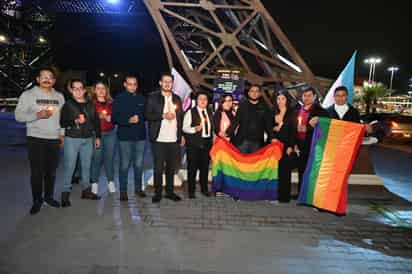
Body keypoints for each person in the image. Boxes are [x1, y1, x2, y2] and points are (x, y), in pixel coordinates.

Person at [15, 67, 65, 215]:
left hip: (53, 139)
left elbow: (62, 118)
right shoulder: (28, 95)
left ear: (54, 80)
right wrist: (37, 114)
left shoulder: (59, 96)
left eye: (50, 76)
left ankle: (49, 197)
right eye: (43, 76)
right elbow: (18, 116)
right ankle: (37, 200)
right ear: (37, 79)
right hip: (35, 138)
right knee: (37, 172)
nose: (47, 79)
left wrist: (61, 135)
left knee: (51, 172)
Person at [60, 79, 101, 207]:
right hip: (72, 139)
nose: (78, 90)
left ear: (84, 90)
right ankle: (65, 194)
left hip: (88, 139)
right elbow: (62, 123)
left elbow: (96, 122)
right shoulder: (68, 105)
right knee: (70, 167)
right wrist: (75, 121)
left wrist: (98, 137)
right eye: (75, 88)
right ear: (71, 90)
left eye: (80, 88)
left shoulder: (90, 104)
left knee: (86, 166)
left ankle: (86, 191)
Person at [145, 72, 184, 203]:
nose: (168, 84)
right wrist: (162, 115)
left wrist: (181, 135)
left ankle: (170, 192)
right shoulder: (152, 97)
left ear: (173, 84)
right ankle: (157, 193)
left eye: (170, 82)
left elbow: (181, 118)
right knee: (158, 168)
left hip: (173, 140)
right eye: (165, 81)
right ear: (160, 83)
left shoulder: (177, 98)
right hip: (159, 139)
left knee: (171, 168)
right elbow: (148, 115)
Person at [112, 76, 147, 201]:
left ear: (137, 85)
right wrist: (127, 120)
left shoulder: (142, 98)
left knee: (138, 165)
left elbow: (146, 116)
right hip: (125, 138)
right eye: (130, 84)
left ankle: (138, 189)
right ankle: (123, 191)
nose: (132, 86)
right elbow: (114, 118)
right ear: (125, 84)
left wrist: (141, 118)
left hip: (140, 137)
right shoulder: (119, 99)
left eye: (134, 84)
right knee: (124, 165)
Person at [295, 87, 329, 198]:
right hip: (299, 144)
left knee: (312, 171)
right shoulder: (297, 110)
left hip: (313, 145)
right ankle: (301, 194)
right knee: (302, 170)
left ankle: (311, 195)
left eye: (309, 95)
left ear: (314, 97)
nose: (306, 98)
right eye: (305, 95)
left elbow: (326, 125)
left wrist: (309, 127)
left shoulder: (320, 112)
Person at [183, 92, 213, 199]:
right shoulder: (190, 112)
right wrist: (194, 129)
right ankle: (191, 191)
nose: (203, 101)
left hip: (206, 144)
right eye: (201, 99)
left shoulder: (209, 112)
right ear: (197, 100)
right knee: (192, 168)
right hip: (194, 144)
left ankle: (204, 189)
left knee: (204, 168)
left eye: (205, 99)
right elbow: (184, 127)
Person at [228, 85, 275, 153]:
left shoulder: (265, 108)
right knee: (241, 162)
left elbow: (268, 125)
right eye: (252, 91)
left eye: (256, 91)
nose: (254, 93)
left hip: (257, 143)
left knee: (255, 163)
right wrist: (228, 134)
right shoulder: (242, 106)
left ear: (259, 94)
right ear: (248, 93)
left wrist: (272, 138)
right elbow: (236, 121)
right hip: (242, 141)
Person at [90, 82, 116, 195]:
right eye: (98, 88)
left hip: (110, 133)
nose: (101, 91)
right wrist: (96, 118)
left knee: (109, 159)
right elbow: (87, 120)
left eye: (103, 88)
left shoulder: (111, 104)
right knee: (97, 158)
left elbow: (115, 118)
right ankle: (94, 183)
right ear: (94, 90)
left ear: (106, 91)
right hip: (96, 134)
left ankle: (111, 182)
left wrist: (110, 118)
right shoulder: (90, 104)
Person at [272, 90, 296, 203]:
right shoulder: (272, 112)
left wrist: (290, 146)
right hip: (274, 146)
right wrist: (274, 129)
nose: (280, 101)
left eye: (283, 99)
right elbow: (268, 127)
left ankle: (284, 197)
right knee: (274, 172)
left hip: (286, 146)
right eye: (278, 99)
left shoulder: (292, 113)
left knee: (285, 172)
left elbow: (293, 130)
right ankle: (274, 195)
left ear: (287, 100)